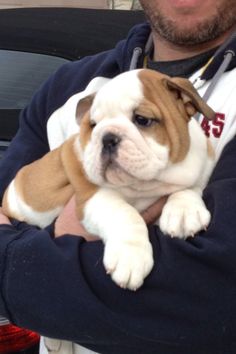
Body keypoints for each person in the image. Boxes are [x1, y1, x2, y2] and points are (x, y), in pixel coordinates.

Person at [0, 0, 236, 353]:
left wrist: (26, 267)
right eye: (93, 126)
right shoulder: (71, 85)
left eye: (143, 119)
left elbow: (210, 300)